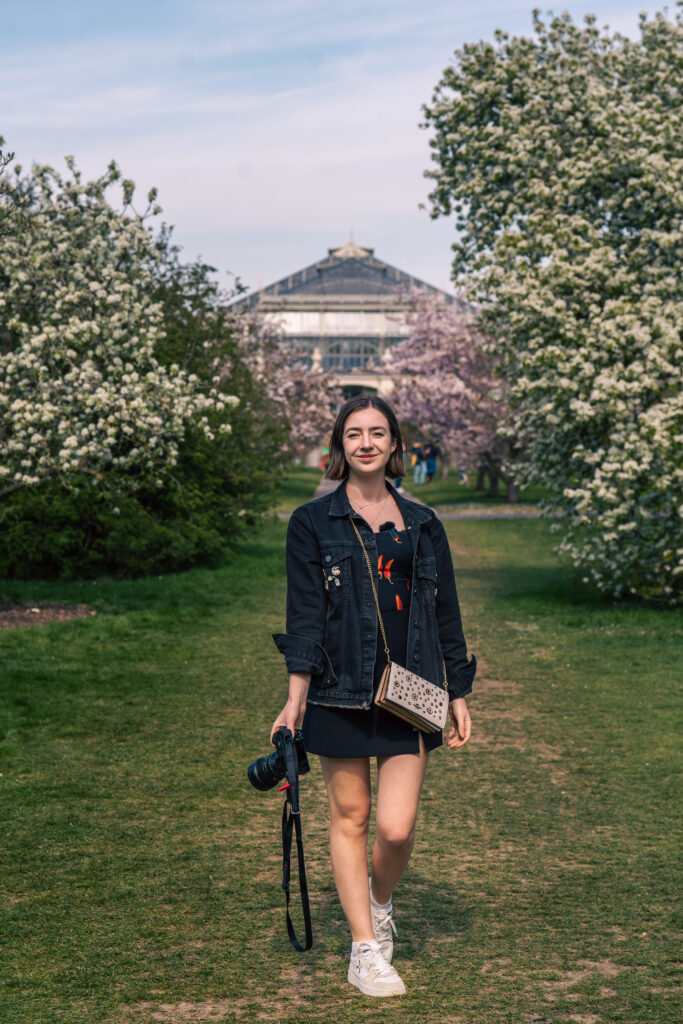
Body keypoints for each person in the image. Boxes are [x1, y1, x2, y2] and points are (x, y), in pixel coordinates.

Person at [270, 394, 476, 998]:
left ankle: (378, 903)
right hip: (337, 689)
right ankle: (365, 948)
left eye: (377, 433)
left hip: (412, 687)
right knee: (350, 816)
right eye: (354, 434)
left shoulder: (424, 523)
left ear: (395, 445)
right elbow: (305, 614)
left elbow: (446, 611)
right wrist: (295, 697)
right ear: (340, 446)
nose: (366, 443)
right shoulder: (311, 523)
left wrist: (456, 691)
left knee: (394, 827)